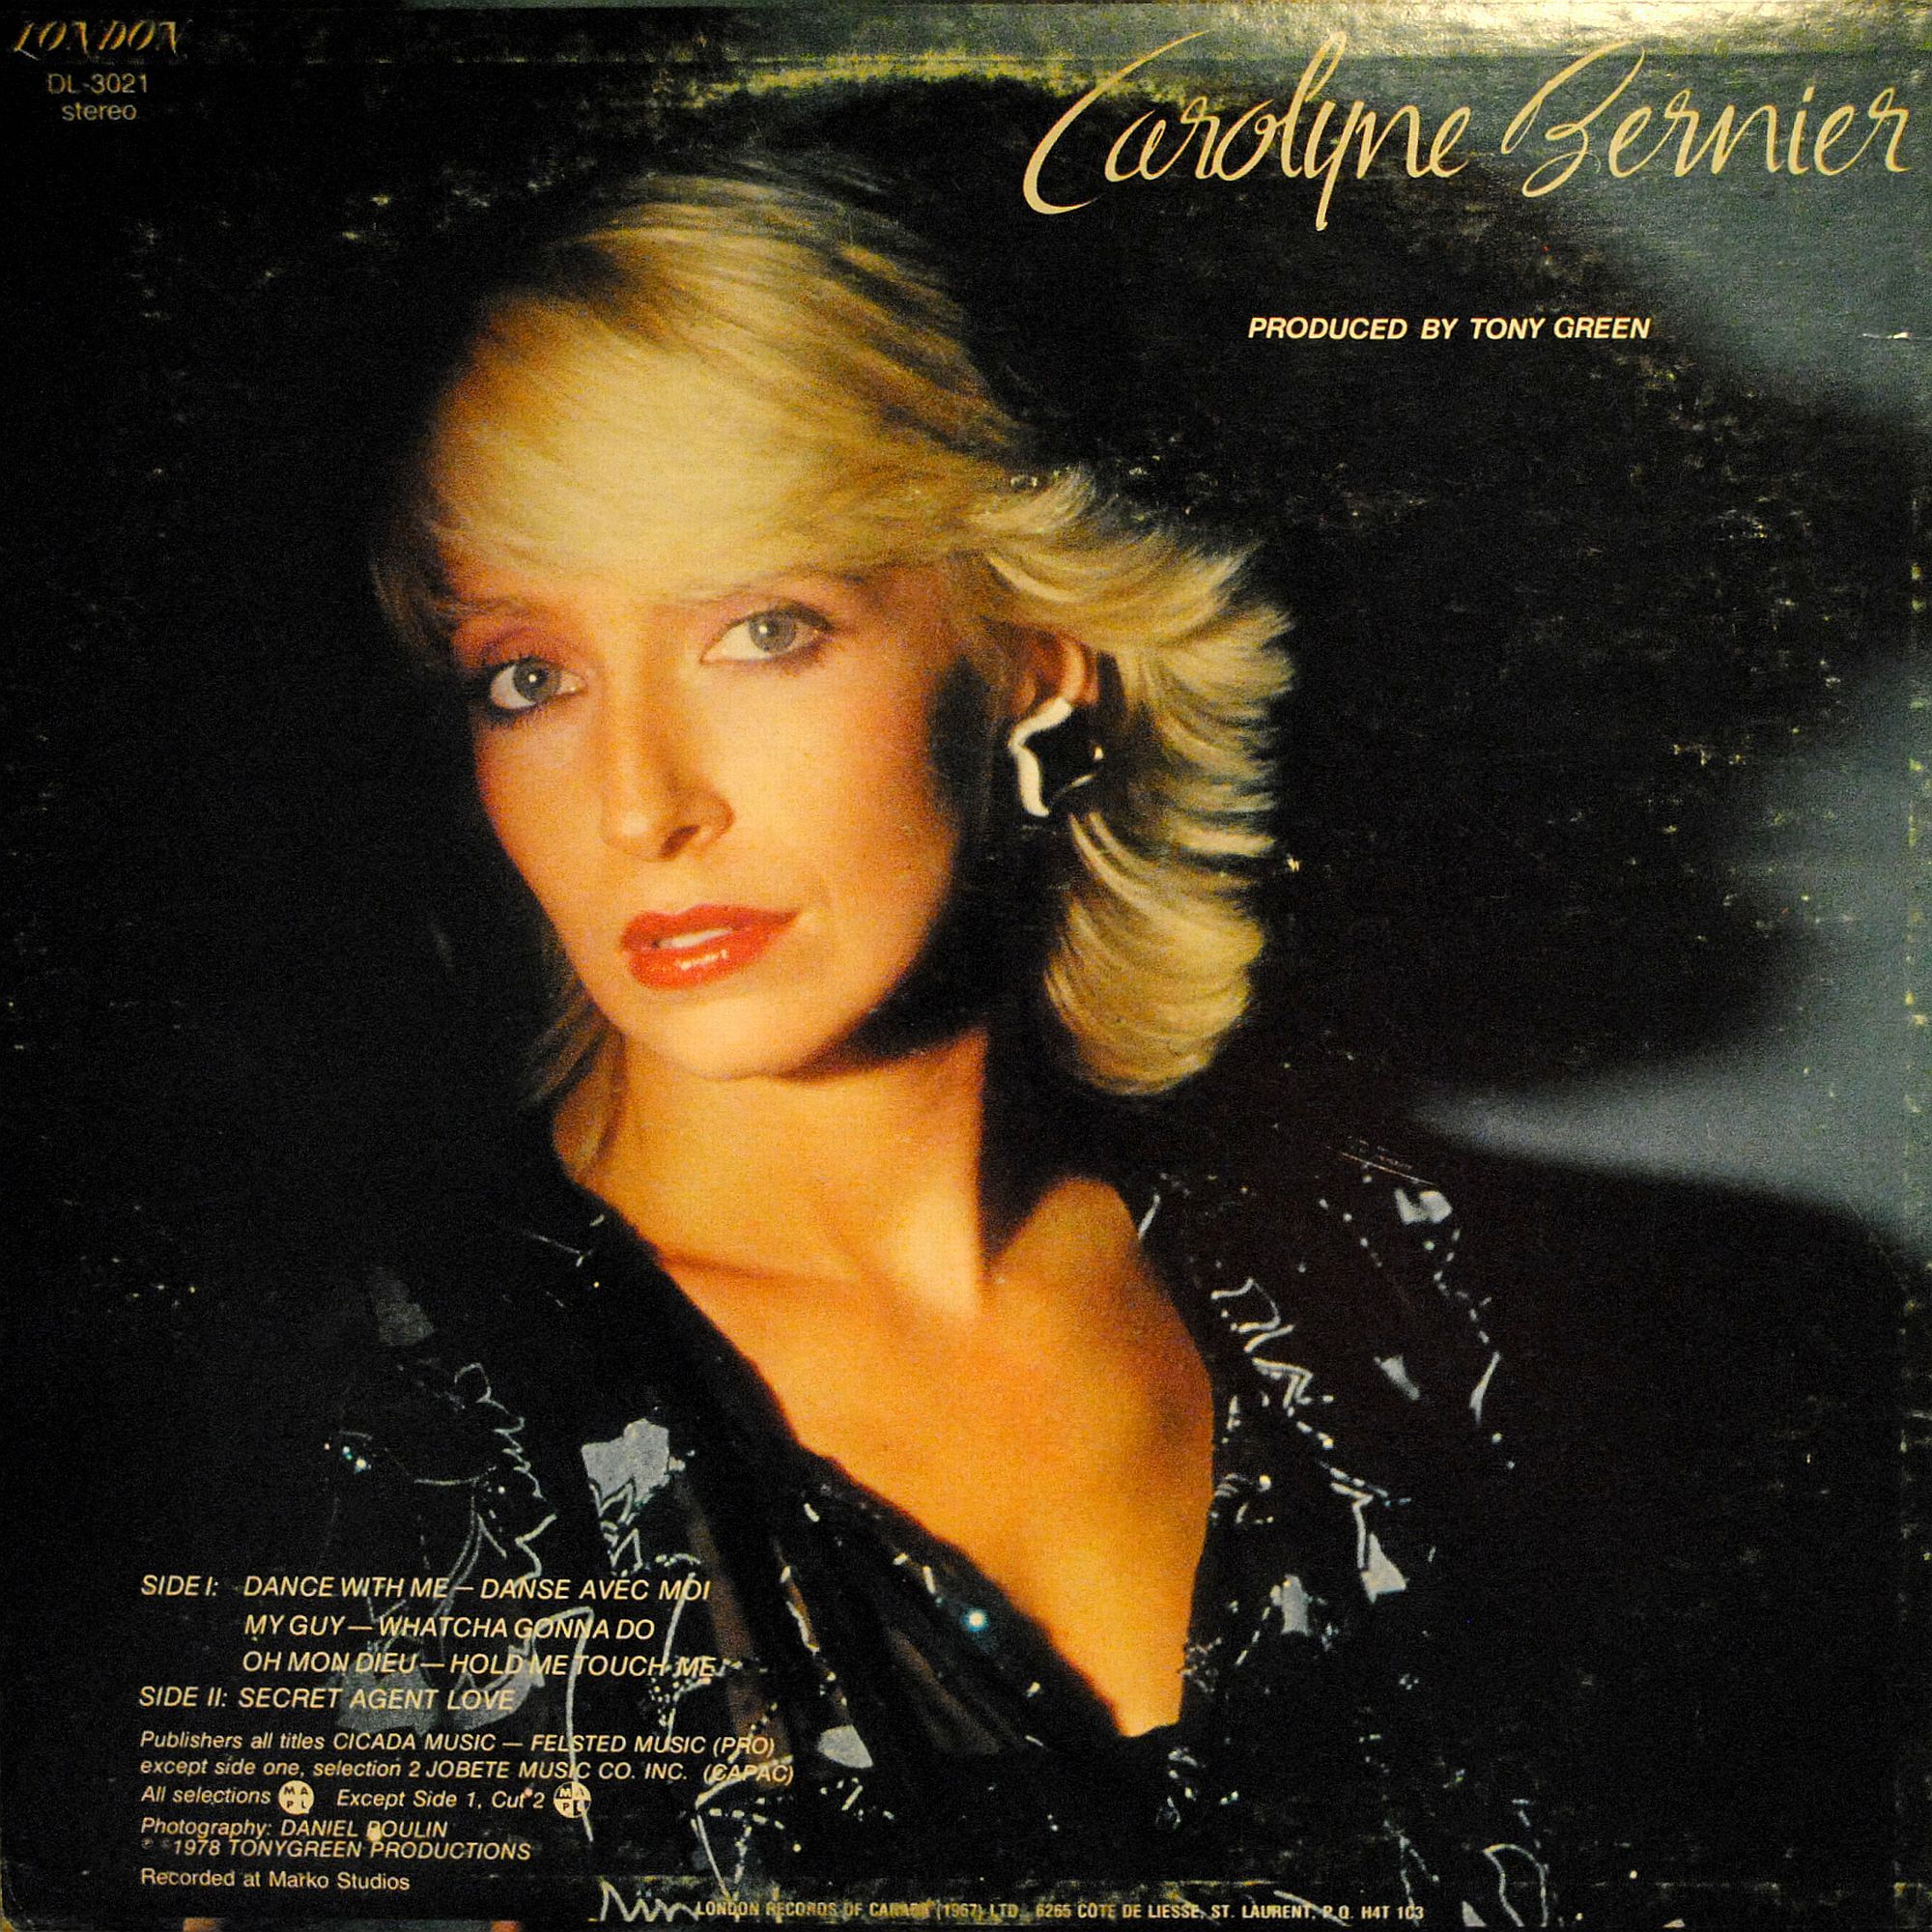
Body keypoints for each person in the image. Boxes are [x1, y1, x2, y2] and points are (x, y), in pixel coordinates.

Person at [323, 162, 1548, 1920]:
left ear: (1038, 659)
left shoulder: (1402, 1281)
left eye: (762, 630)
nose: (640, 805)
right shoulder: (388, 1444)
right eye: (533, 675)